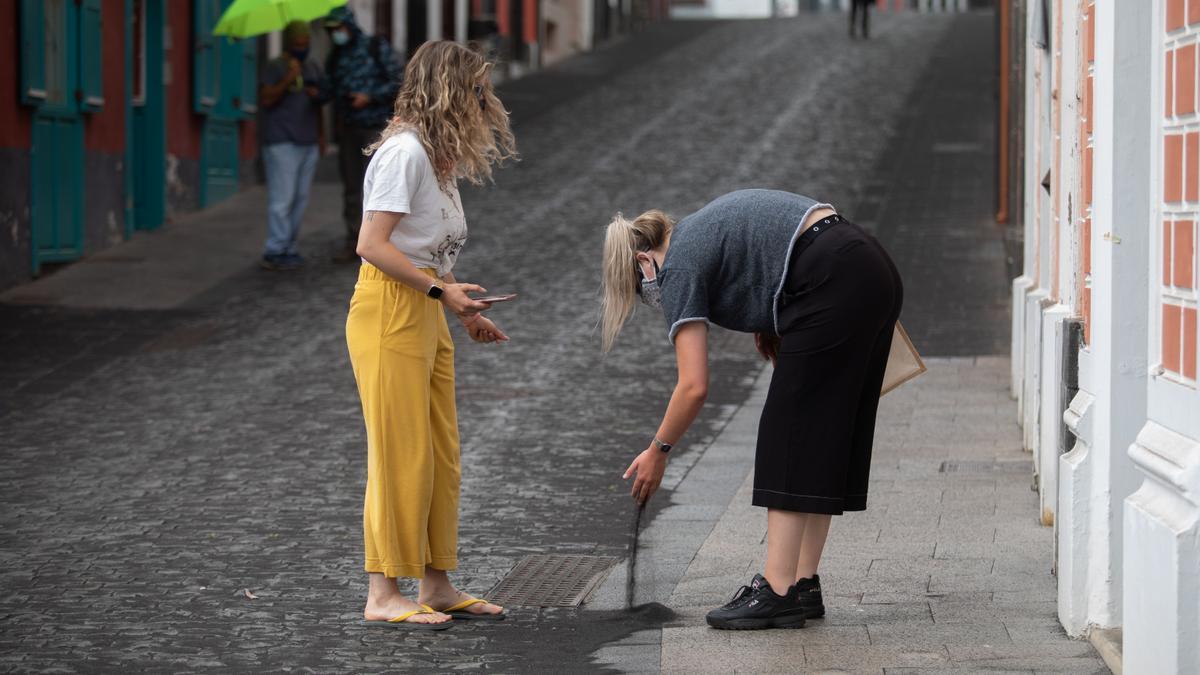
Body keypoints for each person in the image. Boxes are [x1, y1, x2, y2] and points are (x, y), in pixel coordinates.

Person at [601, 190, 903, 630]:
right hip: (868, 266)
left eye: (645, 293)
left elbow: (693, 386)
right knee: (821, 434)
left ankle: (777, 591)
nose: (657, 299)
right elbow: (766, 253)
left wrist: (658, 450)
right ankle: (802, 585)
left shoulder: (678, 264)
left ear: (645, 264)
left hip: (831, 278)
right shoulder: (699, 233)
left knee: (787, 433)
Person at [345, 41, 517, 629]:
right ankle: (382, 592)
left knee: (441, 454)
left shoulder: (437, 160)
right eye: (476, 90)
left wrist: (464, 310)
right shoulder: (404, 155)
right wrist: (442, 294)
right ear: (448, 91)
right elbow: (371, 245)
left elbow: (431, 251)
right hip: (390, 311)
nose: (484, 101)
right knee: (400, 454)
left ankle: (436, 583)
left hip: (423, 308)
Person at [321, 6, 405, 262]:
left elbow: (398, 81)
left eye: (339, 28)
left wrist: (370, 97)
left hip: (377, 127)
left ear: (349, 25)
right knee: (351, 187)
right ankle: (354, 239)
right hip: (348, 128)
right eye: (331, 30)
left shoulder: (375, 47)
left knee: (383, 186)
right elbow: (330, 88)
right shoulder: (335, 56)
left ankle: (385, 242)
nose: (336, 34)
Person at [258, 20, 325, 270]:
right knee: (282, 198)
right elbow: (266, 98)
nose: (303, 47)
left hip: (307, 141)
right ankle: (274, 249)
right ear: (289, 43)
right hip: (281, 141)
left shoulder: (312, 67)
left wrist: (321, 136)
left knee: (300, 198)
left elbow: (318, 106)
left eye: (306, 42)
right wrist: (288, 78)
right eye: (298, 43)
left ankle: (290, 246)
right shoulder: (275, 66)